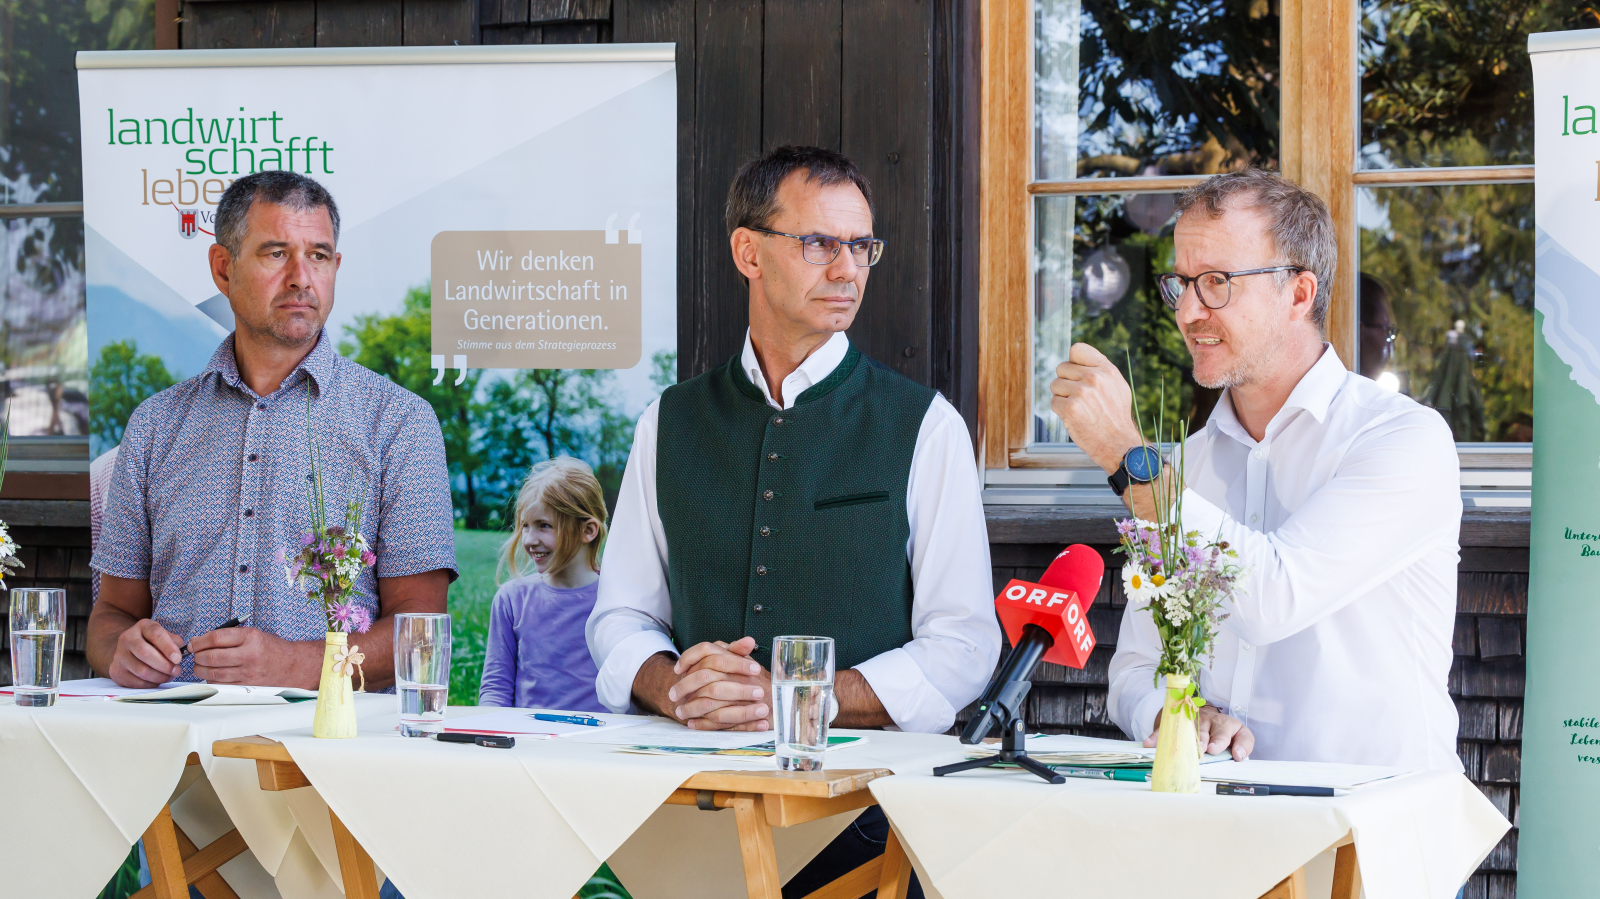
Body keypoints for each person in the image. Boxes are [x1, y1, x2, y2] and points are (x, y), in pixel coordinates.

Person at [587, 145, 998, 897]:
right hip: (684, 805)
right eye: (819, 244)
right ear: (749, 251)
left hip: (866, 815)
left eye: (862, 246)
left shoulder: (924, 425)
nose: (848, 269)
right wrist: (676, 684)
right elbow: (620, 616)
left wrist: (806, 696)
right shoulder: (669, 420)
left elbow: (966, 644)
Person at [1051, 168, 1462, 771]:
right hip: (1222, 832)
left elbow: (1272, 596)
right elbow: (1136, 670)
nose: (1189, 311)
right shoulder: (1181, 469)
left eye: (1217, 282)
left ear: (1299, 294)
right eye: (1181, 283)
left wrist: (1123, 452)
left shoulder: (1403, 439)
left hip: (1366, 837)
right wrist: (1172, 715)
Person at [87, 169, 458, 692]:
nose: (302, 278)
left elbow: (421, 633)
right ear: (223, 268)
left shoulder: (398, 422)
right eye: (276, 253)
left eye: (320, 255)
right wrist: (121, 652)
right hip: (172, 744)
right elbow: (110, 618)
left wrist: (299, 666)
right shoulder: (154, 425)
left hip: (330, 750)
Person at [479, 456, 608, 711]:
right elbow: (496, 687)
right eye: (526, 526)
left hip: (599, 744)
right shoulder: (512, 600)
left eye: (544, 526)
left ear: (588, 531)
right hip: (530, 744)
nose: (529, 539)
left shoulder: (617, 599)